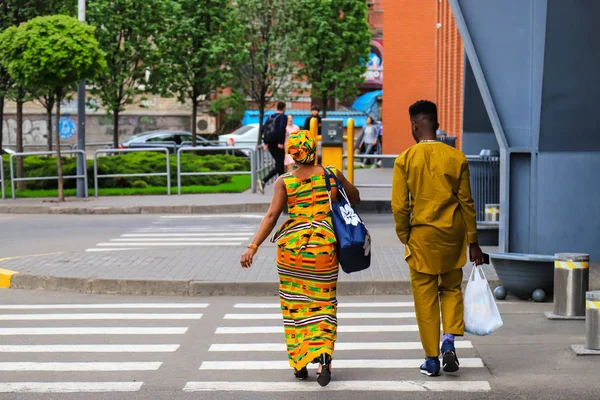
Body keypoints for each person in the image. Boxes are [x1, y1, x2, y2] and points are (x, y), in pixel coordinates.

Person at [240, 130, 360, 387]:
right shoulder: (331, 174)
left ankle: (300, 362)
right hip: (323, 248)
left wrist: (253, 246)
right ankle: (324, 358)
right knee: (324, 304)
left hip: (291, 252)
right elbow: (356, 198)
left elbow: (271, 216)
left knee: (296, 305)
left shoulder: (284, 181)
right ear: (313, 148)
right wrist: (337, 189)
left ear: (292, 153)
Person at [391, 100, 485, 377]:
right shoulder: (457, 158)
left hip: (422, 236)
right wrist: (473, 242)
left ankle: (431, 359)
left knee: (425, 296)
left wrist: (405, 234)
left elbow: (399, 206)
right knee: (451, 289)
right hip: (453, 236)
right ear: (437, 124)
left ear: (414, 126)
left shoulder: (405, 159)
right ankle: (449, 341)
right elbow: (466, 202)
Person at [258, 101, 288, 194]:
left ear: (276, 107)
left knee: (280, 165)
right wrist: (281, 142)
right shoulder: (283, 117)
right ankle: (264, 181)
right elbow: (281, 129)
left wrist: (265, 142)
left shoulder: (270, 116)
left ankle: (281, 188)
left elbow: (263, 129)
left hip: (270, 143)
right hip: (277, 143)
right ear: (284, 108)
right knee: (279, 165)